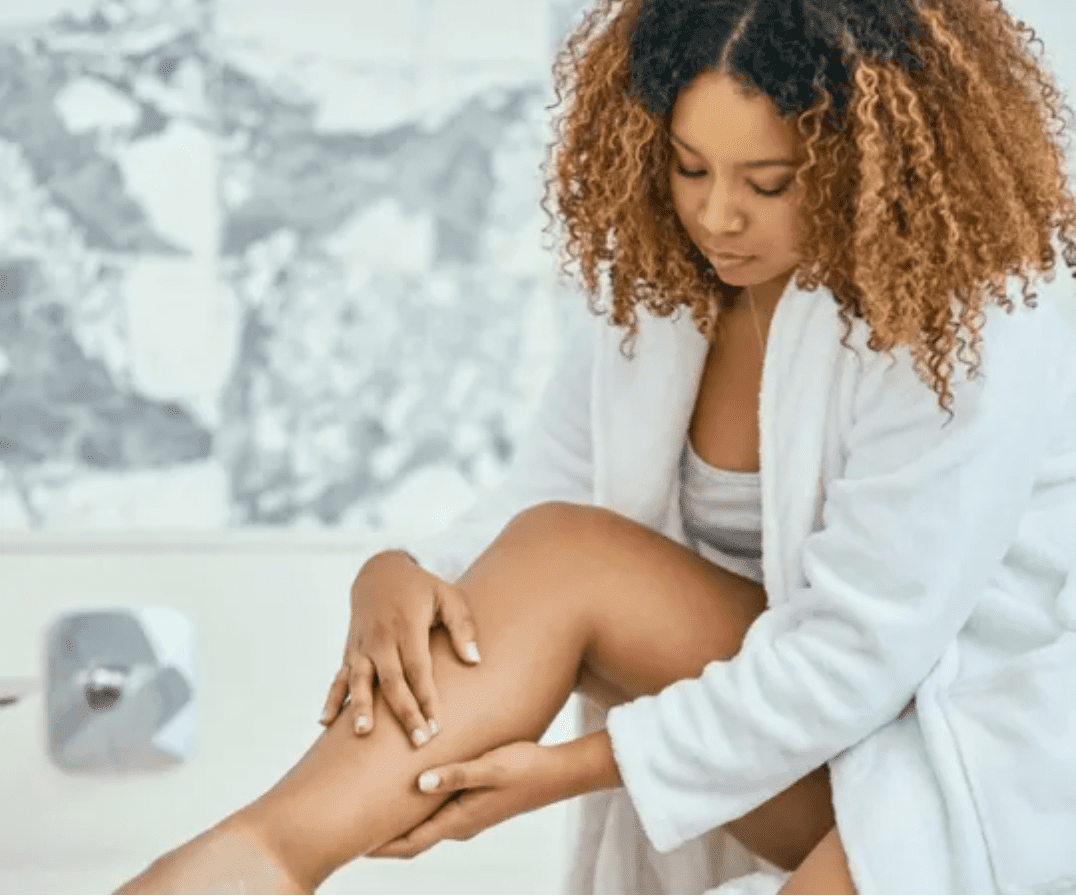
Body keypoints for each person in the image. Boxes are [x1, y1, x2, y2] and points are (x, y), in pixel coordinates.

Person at [113, 0, 1076, 893]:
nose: (716, 216)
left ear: (871, 154)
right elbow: (546, 510)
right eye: (690, 167)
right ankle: (268, 856)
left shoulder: (963, 318)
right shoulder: (667, 294)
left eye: (769, 182)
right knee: (560, 549)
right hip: (795, 743)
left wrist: (563, 771)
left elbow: (860, 654)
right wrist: (397, 571)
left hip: (967, 752)